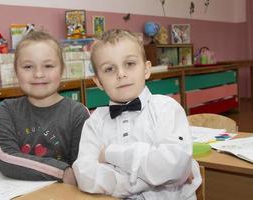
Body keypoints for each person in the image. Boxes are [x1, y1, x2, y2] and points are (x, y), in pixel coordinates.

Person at [73, 29, 201, 199]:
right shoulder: (95, 122)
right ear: (98, 82)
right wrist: (152, 177)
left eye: (130, 64)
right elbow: (85, 174)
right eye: (109, 69)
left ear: (147, 69)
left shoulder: (166, 108)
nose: (121, 74)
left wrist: (110, 154)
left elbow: (172, 166)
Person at [0, 31, 89, 185]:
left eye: (48, 65)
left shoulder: (77, 113)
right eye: (28, 66)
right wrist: (62, 172)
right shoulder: (6, 110)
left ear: (62, 70)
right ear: (16, 72)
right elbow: (5, 157)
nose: (38, 74)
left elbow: (84, 166)